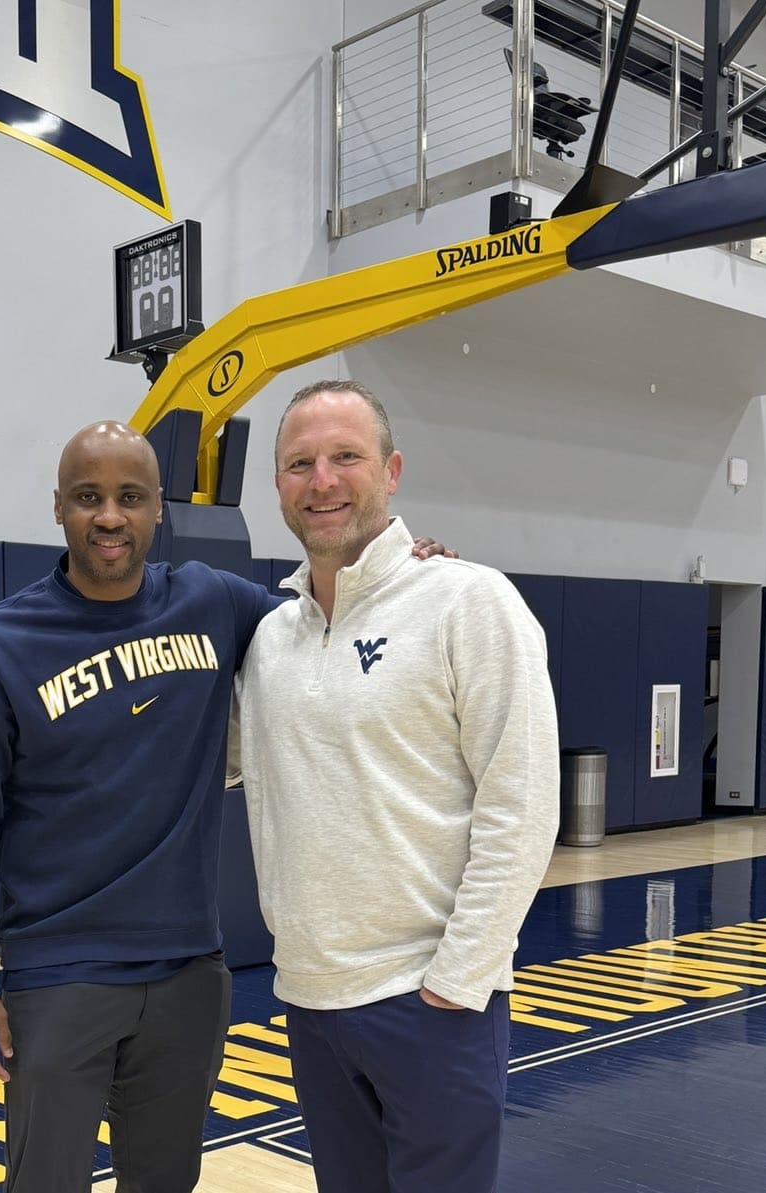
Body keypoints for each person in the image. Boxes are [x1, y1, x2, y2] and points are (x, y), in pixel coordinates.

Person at [0, 419, 452, 1193]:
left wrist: (402, 573)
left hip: (189, 977)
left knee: (166, 1182)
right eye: (88, 497)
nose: (109, 516)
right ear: (58, 507)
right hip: (59, 974)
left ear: (158, 510)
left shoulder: (210, 601)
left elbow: (322, 617)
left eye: (130, 497)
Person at [232, 380, 559, 1193]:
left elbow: (521, 806)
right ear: (277, 486)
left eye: (347, 456)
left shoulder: (467, 601)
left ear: (393, 469)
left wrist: (458, 979)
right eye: (299, 463)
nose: (323, 480)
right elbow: (215, 764)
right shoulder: (269, 637)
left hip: (429, 1001)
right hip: (311, 997)